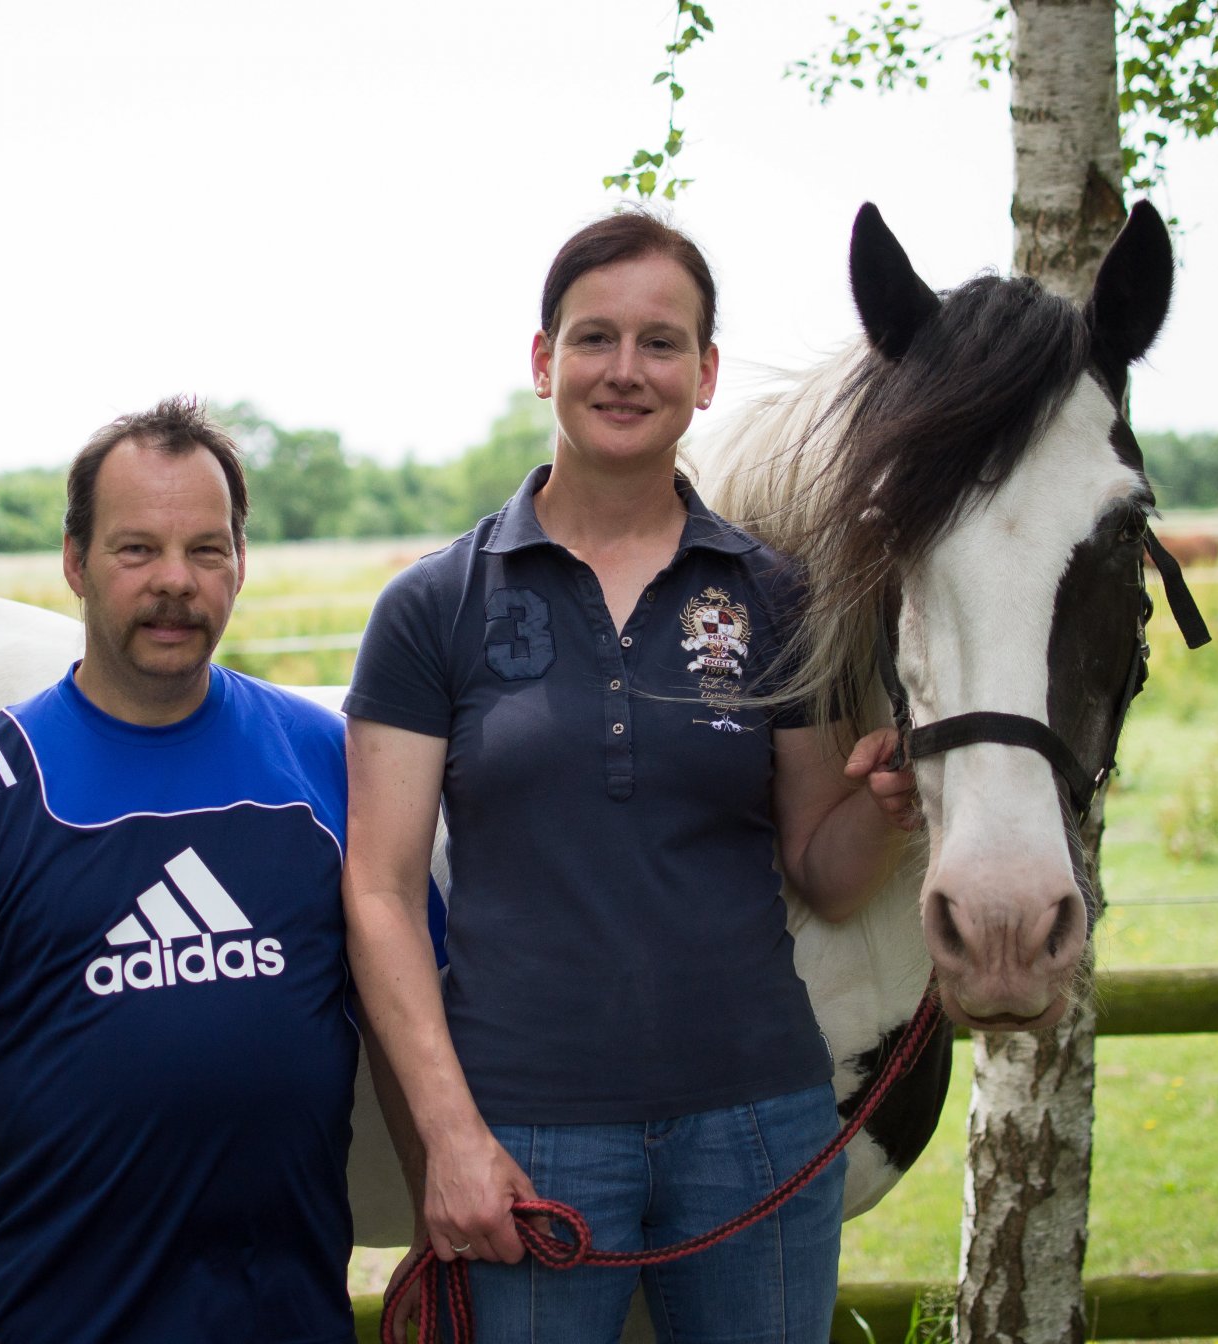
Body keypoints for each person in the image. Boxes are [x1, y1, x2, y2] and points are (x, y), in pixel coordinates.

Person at [341, 212, 922, 1344]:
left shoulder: (775, 597)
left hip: (759, 1127)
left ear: (704, 376)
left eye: (662, 344)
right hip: (527, 1136)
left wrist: (889, 805)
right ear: (543, 359)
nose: (625, 369)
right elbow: (378, 891)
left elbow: (826, 871)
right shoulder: (433, 607)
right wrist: (452, 1135)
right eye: (594, 337)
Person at [0, 397, 360, 1344]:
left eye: (208, 550)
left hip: (287, 1319)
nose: (176, 582)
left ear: (241, 564)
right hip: (62, 1319)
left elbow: (413, 1014)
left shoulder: (326, 761)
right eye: (137, 551)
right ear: (75, 561)